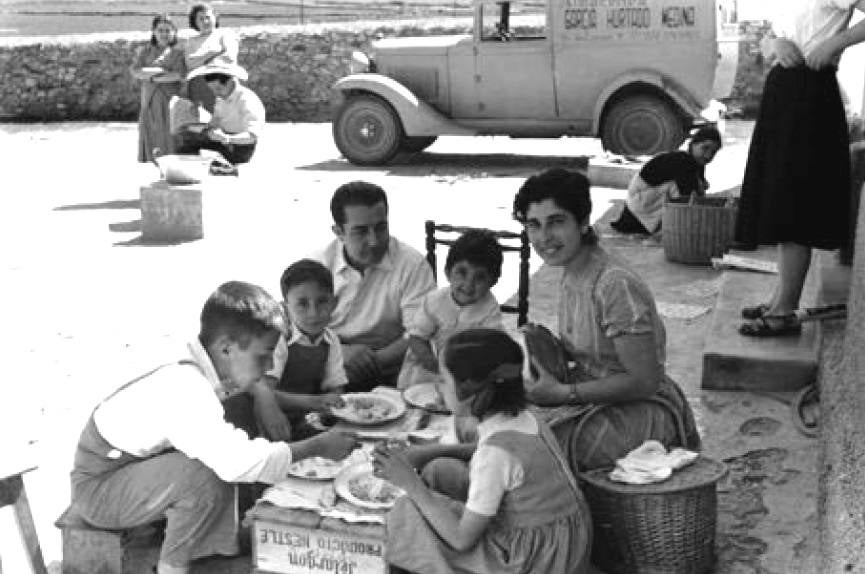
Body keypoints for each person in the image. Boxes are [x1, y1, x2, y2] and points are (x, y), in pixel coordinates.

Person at [65, 281, 358, 574]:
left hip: (133, 470)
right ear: (226, 348)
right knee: (205, 472)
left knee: (232, 421)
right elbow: (236, 463)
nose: (269, 365)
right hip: (100, 487)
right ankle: (172, 567)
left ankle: (216, 545)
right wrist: (315, 447)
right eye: (263, 355)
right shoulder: (187, 387)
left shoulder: (199, 366)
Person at [513, 168, 701, 474]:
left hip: (640, 411)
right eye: (534, 225)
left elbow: (644, 382)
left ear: (584, 222)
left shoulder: (614, 284)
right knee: (498, 420)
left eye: (556, 222)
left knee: (525, 451)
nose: (544, 237)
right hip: (595, 398)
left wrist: (563, 395)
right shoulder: (572, 270)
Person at [374, 328, 592, 574]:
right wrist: (429, 452)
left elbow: (461, 539)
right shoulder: (524, 416)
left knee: (408, 512)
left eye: (444, 380)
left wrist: (410, 482)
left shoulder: (496, 454)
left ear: (472, 391)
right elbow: (495, 457)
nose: (439, 387)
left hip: (531, 560)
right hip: (562, 537)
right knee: (439, 469)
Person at [735, 0, 865, 337]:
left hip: (811, 90)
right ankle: (779, 298)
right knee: (780, 198)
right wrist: (773, 43)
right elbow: (773, 36)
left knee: (793, 203)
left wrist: (833, 44)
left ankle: (784, 311)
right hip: (784, 89)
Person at [314, 181, 436, 391]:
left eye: (381, 228)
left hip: (394, 367)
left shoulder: (411, 265)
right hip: (331, 360)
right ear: (339, 232)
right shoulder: (319, 265)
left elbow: (420, 333)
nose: (374, 241)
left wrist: (370, 363)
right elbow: (296, 328)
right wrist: (340, 353)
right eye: (360, 231)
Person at [397, 229, 504, 389]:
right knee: (420, 394)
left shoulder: (490, 309)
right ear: (448, 272)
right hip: (431, 367)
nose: (468, 285)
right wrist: (431, 363)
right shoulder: (434, 301)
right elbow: (417, 338)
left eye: (480, 277)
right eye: (462, 273)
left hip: (469, 371)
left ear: (493, 282)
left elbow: (491, 347)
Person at [257, 259, 348, 441]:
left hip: (309, 420)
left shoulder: (331, 341)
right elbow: (265, 392)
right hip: (273, 422)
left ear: (334, 303)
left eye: (322, 301)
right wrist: (315, 402)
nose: (314, 313)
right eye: (302, 304)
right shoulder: (280, 339)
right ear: (285, 307)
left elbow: (336, 388)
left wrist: (333, 402)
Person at [611, 126, 723, 235]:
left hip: (640, 206)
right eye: (705, 148)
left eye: (713, 152)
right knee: (686, 198)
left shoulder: (696, 163)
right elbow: (690, 200)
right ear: (693, 144)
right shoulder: (683, 161)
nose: (708, 155)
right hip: (638, 212)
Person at [173, 62, 264, 164]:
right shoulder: (221, 98)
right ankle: (190, 169)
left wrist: (227, 139)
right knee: (185, 137)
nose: (216, 93)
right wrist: (200, 128)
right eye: (212, 90)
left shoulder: (247, 100)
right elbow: (214, 122)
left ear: (230, 81)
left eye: (218, 89)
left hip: (239, 147)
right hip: (223, 140)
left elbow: (252, 136)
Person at [130, 14, 186, 163]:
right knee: (153, 135)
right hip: (149, 101)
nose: (164, 34)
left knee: (170, 137)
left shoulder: (178, 53)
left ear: (174, 32)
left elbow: (179, 75)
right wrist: (158, 73)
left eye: (168, 30)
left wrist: (151, 75)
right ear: (154, 32)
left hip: (170, 102)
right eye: (160, 30)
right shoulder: (145, 52)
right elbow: (136, 71)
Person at [183, 2, 239, 114]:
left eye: (208, 17)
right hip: (198, 88)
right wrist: (212, 52)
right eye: (201, 19)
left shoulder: (225, 34)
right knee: (201, 124)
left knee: (225, 122)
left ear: (215, 17)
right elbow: (190, 64)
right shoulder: (192, 41)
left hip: (223, 85)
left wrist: (200, 60)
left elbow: (229, 58)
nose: (205, 21)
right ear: (195, 22)